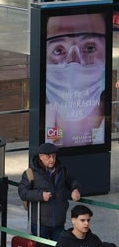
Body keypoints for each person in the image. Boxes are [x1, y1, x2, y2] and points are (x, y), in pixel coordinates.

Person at [43, 11, 108, 148]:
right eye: (59, 50)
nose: (74, 63)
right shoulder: (42, 119)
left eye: (90, 48)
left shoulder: (106, 127)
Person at [18, 141, 82, 247]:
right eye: (48, 157)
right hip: (40, 221)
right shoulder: (31, 173)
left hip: (58, 220)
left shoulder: (62, 170)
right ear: (41, 156)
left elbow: (73, 180)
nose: (52, 159)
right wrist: (40, 195)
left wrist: (75, 189)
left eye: (53, 156)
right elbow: (23, 192)